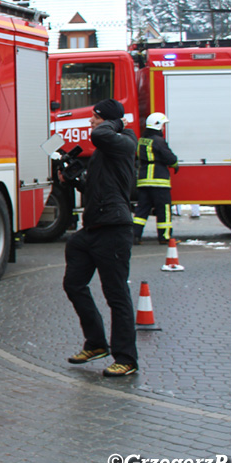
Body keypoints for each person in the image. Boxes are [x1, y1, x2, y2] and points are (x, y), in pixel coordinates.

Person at [60, 98, 139, 377]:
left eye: (95, 117)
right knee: (73, 283)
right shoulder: (105, 149)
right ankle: (96, 343)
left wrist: (114, 122)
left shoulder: (125, 141)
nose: (90, 122)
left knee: (116, 295)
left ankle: (126, 359)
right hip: (93, 228)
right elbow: (97, 187)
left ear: (108, 120)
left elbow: (101, 132)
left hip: (114, 229)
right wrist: (74, 180)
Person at [132, 112, 179, 245]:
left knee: (142, 210)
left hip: (143, 180)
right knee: (163, 209)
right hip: (159, 180)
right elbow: (170, 158)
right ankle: (164, 236)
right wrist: (175, 164)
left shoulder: (141, 140)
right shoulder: (159, 141)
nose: (163, 128)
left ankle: (135, 236)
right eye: (163, 125)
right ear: (158, 125)